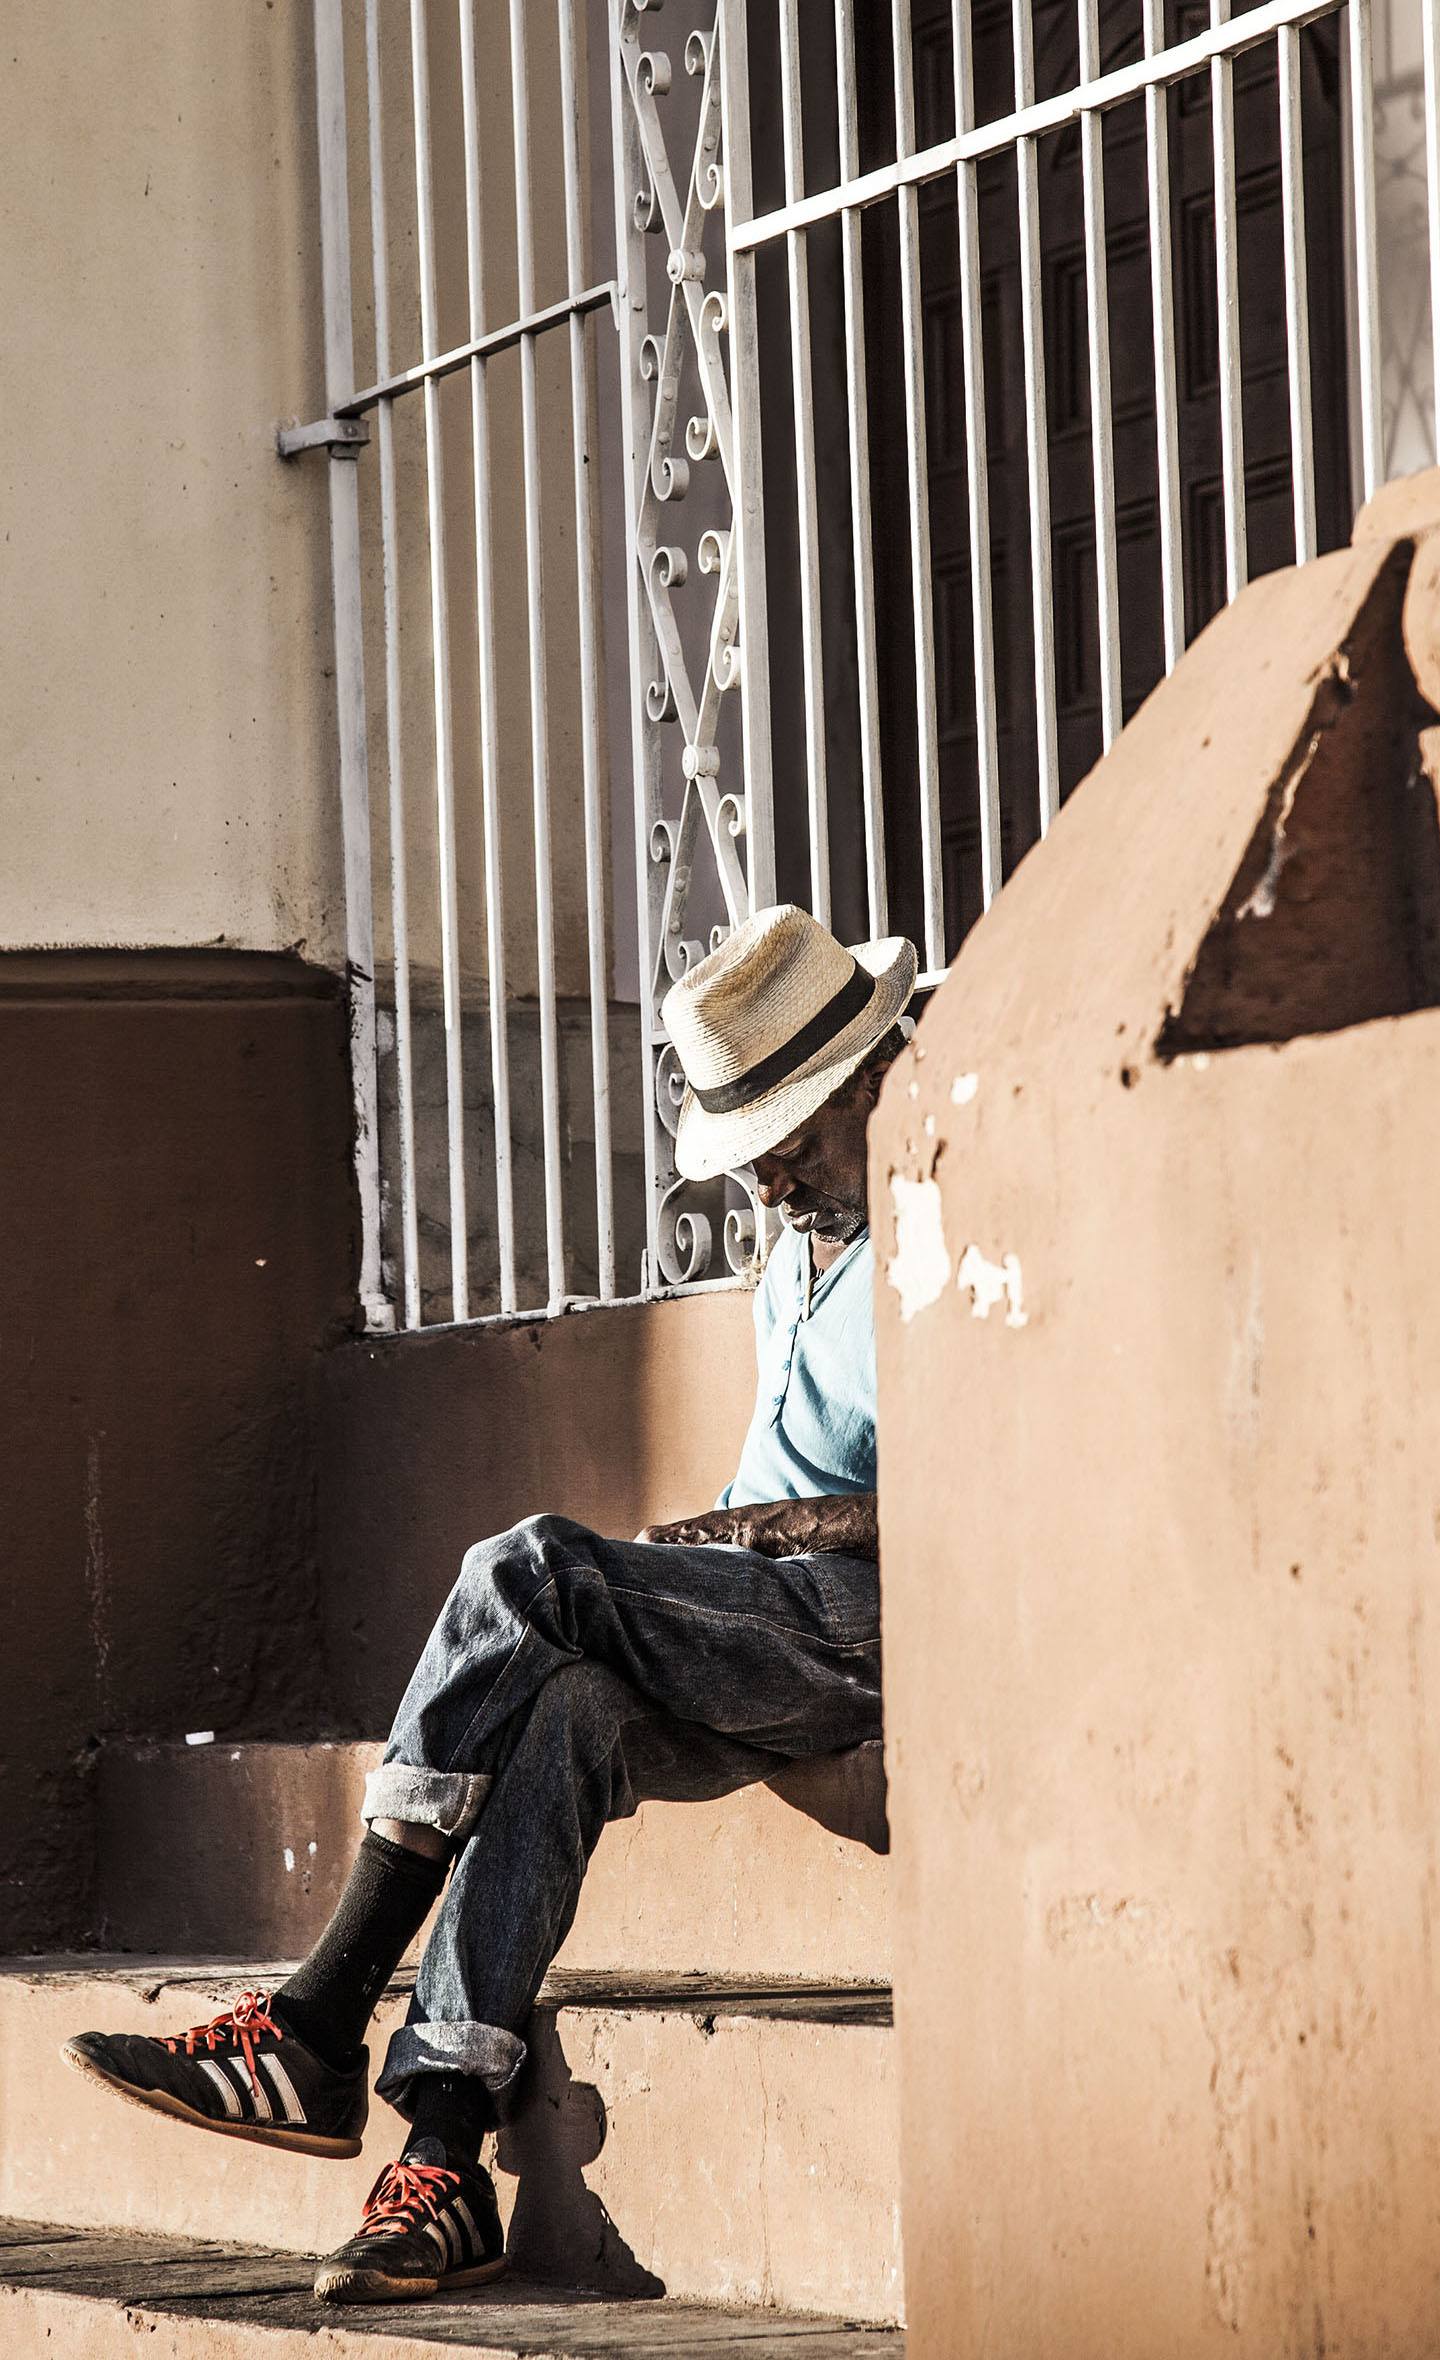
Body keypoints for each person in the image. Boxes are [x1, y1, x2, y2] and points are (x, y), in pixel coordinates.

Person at [62, 902, 916, 2306]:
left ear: (878, 1075)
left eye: (792, 1140)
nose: (765, 1181)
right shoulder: (798, 1255)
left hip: (873, 1624)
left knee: (521, 1568)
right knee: (561, 1706)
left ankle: (323, 2011)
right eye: (750, 1152)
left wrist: (771, 1525)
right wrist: (723, 1550)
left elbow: (1013, 1490)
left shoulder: (958, 1222)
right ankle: (443, 2155)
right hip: (760, 1628)